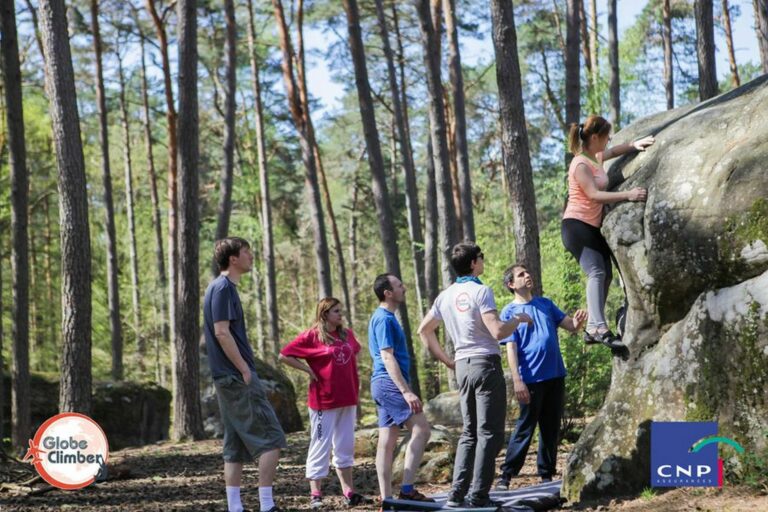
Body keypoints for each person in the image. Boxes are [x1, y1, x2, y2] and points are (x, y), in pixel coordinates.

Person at [417, 242, 533, 509]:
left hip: (463, 366)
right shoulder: (482, 291)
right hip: (485, 364)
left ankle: (456, 494)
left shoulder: (444, 296)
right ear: (472, 264)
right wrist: (518, 319)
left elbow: (424, 330)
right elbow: (497, 332)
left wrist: (448, 360)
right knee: (489, 433)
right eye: (481, 257)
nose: (483, 260)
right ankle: (479, 494)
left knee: (469, 432)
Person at [203, 237, 286, 512]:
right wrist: (244, 369)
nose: (251, 256)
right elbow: (221, 332)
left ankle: (235, 507)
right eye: (246, 252)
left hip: (226, 379)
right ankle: (266, 505)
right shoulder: (223, 288)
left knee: (235, 445)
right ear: (233, 259)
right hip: (235, 378)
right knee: (272, 438)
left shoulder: (220, 288)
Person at [561, 115, 654, 348]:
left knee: (606, 274)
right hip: (576, 226)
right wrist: (628, 194)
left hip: (591, 227)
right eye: (606, 136)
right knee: (596, 273)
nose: (609, 140)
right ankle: (599, 328)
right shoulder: (580, 164)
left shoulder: (594, 157)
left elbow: (613, 152)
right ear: (595, 137)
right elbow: (593, 194)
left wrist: (634, 145)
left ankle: (592, 328)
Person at [495, 264, 587, 490]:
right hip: (530, 379)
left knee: (550, 427)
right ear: (511, 284)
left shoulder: (545, 304)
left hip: (555, 375)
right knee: (525, 426)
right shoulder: (509, 312)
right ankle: (506, 476)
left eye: (527, 272)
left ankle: (546, 475)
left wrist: (579, 320)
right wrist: (517, 380)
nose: (527, 276)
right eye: (521, 275)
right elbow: (510, 347)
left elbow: (570, 326)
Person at [279, 298, 371, 509]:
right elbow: (284, 355)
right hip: (323, 400)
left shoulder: (346, 334)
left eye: (341, 310)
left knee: (345, 445)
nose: (341, 315)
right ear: (325, 314)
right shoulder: (312, 336)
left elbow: (355, 351)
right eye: (336, 311)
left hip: (347, 398)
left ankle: (349, 492)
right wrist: (309, 370)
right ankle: (316, 493)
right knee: (321, 444)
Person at [368, 274, 434, 506]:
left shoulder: (384, 317)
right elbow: (387, 356)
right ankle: (406, 490)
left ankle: (386, 499)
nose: (404, 288)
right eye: (399, 286)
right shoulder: (384, 319)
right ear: (387, 292)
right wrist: (406, 391)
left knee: (387, 440)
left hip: (381, 383)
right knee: (422, 429)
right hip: (388, 383)